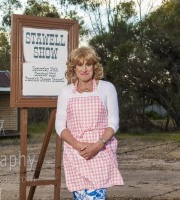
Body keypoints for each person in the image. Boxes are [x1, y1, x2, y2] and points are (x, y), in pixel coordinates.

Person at [55, 46, 124, 199]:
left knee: (96, 196)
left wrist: (97, 145)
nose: (84, 69)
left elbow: (113, 122)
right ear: (74, 68)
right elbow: (60, 125)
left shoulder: (107, 88)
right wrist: (77, 145)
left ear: (94, 66)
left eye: (88, 64)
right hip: (75, 153)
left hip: (99, 152)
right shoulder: (66, 92)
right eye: (80, 64)